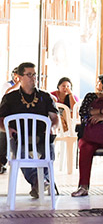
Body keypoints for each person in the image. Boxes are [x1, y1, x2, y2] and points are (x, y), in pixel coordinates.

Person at [0, 62, 59, 199]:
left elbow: (55, 118)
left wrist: (52, 127)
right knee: (20, 153)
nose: (33, 78)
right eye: (29, 75)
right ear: (19, 77)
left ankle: (39, 182)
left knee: (48, 152)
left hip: (41, 137)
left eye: (35, 75)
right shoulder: (10, 98)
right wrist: (6, 129)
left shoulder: (45, 97)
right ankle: (39, 181)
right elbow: (1, 119)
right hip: (19, 138)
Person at [0, 67, 19, 174]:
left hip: (20, 117)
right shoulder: (8, 85)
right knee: (4, 129)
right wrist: (18, 84)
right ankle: (2, 161)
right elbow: (6, 95)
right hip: (8, 115)